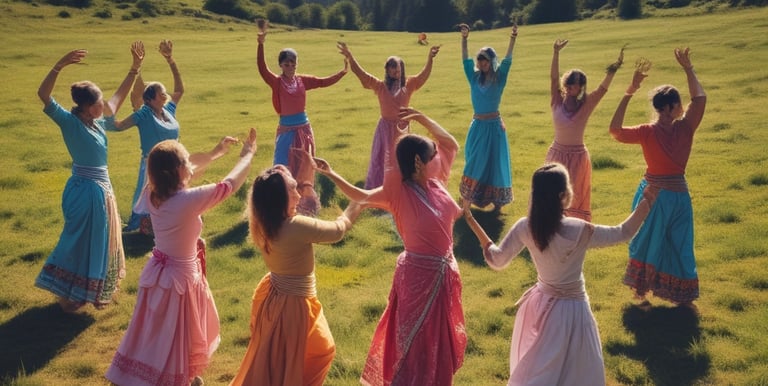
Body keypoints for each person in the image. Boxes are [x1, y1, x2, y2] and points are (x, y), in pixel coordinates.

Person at [463, 163, 656, 385]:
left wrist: (473, 223)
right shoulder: (580, 229)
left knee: (542, 365)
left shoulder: (526, 227)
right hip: (574, 310)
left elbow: (497, 260)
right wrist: (647, 202)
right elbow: (623, 232)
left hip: (541, 306)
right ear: (564, 195)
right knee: (578, 369)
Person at [314, 107, 466, 385]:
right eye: (433, 156)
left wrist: (421, 117)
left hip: (444, 280)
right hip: (416, 281)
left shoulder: (437, 182)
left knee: (437, 341)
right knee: (412, 339)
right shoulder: (397, 194)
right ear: (419, 162)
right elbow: (361, 195)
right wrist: (332, 174)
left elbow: (450, 144)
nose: (439, 158)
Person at [106, 128, 258, 386]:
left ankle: (176, 373)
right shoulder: (185, 200)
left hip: (162, 272)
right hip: (180, 279)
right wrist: (247, 155)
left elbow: (192, 169)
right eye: (185, 161)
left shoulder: (153, 193)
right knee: (177, 332)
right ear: (177, 170)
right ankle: (175, 378)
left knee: (158, 331)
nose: (190, 165)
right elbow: (228, 186)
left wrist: (216, 153)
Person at [229, 159, 362, 386]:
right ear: (278, 198)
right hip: (293, 305)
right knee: (308, 354)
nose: (298, 196)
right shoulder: (294, 226)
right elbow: (337, 231)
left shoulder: (263, 222)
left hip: (278, 297)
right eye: (293, 190)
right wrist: (357, 203)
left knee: (282, 359)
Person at [34, 43, 144, 313]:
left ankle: (81, 292)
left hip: (101, 191)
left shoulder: (97, 121)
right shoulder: (70, 122)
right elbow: (43, 94)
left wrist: (134, 69)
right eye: (98, 103)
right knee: (79, 239)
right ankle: (66, 292)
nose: (103, 105)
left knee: (99, 240)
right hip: (85, 191)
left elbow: (118, 98)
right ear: (86, 106)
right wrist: (59, 65)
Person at [609, 48, 705, 308]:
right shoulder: (665, 129)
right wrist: (688, 69)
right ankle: (660, 296)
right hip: (663, 196)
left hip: (663, 195)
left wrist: (630, 91)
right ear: (670, 108)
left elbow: (614, 130)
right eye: (678, 104)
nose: (682, 107)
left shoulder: (670, 128)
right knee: (665, 243)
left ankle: (662, 294)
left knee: (664, 243)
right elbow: (701, 99)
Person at [256, 21, 348, 216]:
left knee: (304, 166)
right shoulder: (277, 82)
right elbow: (262, 68)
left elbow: (323, 82)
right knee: (281, 165)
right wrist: (261, 44)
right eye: (286, 64)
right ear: (281, 65)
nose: (290, 67)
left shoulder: (302, 81)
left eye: (293, 64)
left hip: (304, 130)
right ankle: (279, 201)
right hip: (286, 131)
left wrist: (343, 72)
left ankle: (302, 204)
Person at [105, 39, 184, 235]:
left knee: (174, 198)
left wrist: (170, 60)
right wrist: (108, 113)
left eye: (165, 93)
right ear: (149, 99)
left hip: (174, 164)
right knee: (146, 200)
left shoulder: (168, 111)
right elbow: (118, 126)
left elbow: (180, 90)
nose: (166, 96)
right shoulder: (144, 114)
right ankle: (144, 227)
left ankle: (169, 224)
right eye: (161, 94)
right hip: (152, 165)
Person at [336, 41, 440, 189]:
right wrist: (350, 57)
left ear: (402, 69)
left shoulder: (409, 84)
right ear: (387, 71)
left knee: (400, 159)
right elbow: (362, 74)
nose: (395, 73)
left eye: (397, 69)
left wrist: (430, 58)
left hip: (402, 130)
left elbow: (423, 75)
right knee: (382, 159)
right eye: (392, 70)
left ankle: (401, 187)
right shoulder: (380, 86)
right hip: (384, 129)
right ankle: (381, 189)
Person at [546, 39, 625, 221]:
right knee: (551, 194)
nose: (569, 87)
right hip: (556, 153)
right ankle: (548, 228)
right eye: (568, 83)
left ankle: (571, 231)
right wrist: (556, 52)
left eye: (574, 84)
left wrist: (614, 69)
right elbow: (553, 78)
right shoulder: (556, 99)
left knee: (573, 196)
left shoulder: (586, 104)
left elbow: (603, 89)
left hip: (577, 157)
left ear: (581, 87)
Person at [458, 21, 518, 212]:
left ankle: (497, 205)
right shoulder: (474, 78)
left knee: (495, 162)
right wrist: (464, 39)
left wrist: (513, 39)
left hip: (494, 126)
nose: (482, 63)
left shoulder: (499, 78)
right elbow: (465, 60)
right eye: (480, 60)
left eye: (485, 60)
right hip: (478, 126)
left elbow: (508, 60)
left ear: (491, 61)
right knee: (474, 160)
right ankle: (467, 198)